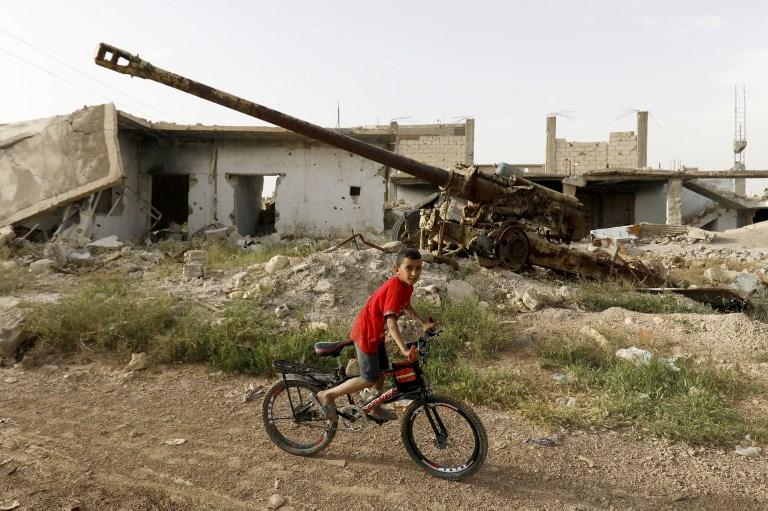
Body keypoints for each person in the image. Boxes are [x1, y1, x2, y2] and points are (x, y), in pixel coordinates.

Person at [314, 247, 435, 420]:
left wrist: (423, 323)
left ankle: (374, 406)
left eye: (418, 268)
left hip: (376, 335)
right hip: (367, 334)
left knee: (382, 372)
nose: (414, 273)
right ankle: (327, 395)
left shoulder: (406, 286)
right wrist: (404, 350)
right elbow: (391, 322)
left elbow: (406, 307)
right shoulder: (395, 287)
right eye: (409, 268)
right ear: (397, 270)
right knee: (369, 378)